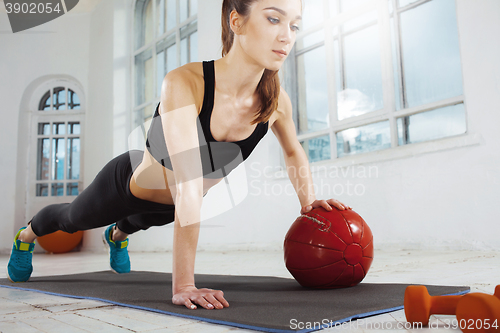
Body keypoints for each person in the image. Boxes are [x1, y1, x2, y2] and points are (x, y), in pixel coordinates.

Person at [7, 0, 352, 310]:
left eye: (294, 25)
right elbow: (188, 182)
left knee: (136, 224)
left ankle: (116, 236)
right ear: (237, 22)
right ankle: (25, 237)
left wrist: (309, 204)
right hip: (130, 185)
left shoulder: (276, 103)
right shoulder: (185, 83)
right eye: (274, 19)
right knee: (72, 220)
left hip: (177, 207)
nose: (286, 36)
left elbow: (293, 151)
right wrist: (184, 284)